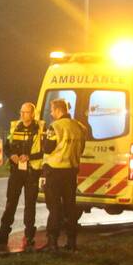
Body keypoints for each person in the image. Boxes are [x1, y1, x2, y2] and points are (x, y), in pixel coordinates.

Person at [0, 102, 45, 252]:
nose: (22, 115)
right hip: (16, 171)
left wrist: (29, 156)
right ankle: (3, 234)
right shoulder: (15, 127)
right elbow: (7, 146)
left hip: (32, 171)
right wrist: (11, 155)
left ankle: (29, 236)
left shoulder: (40, 129)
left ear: (32, 114)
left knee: (30, 205)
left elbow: (45, 151)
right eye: (21, 112)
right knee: (10, 202)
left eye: (25, 112)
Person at [41, 98, 88, 252]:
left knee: (54, 207)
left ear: (58, 110)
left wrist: (43, 140)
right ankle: (72, 241)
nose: (51, 113)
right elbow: (81, 149)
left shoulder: (55, 127)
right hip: (71, 171)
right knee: (70, 207)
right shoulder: (80, 127)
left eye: (52, 110)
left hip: (55, 171)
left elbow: (47, 148)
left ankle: (52, 242)